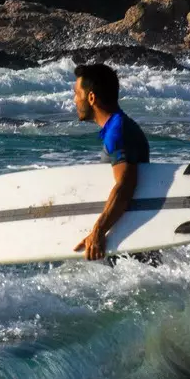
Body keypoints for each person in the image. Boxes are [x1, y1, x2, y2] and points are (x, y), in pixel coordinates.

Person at [71, 61, 149, 261]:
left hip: (129, 240)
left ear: (91, 97)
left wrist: (98, 232)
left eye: (76, 94)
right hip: (128, 234)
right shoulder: (117, 127)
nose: (74, 100)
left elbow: (126, 185)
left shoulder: (117, 131)